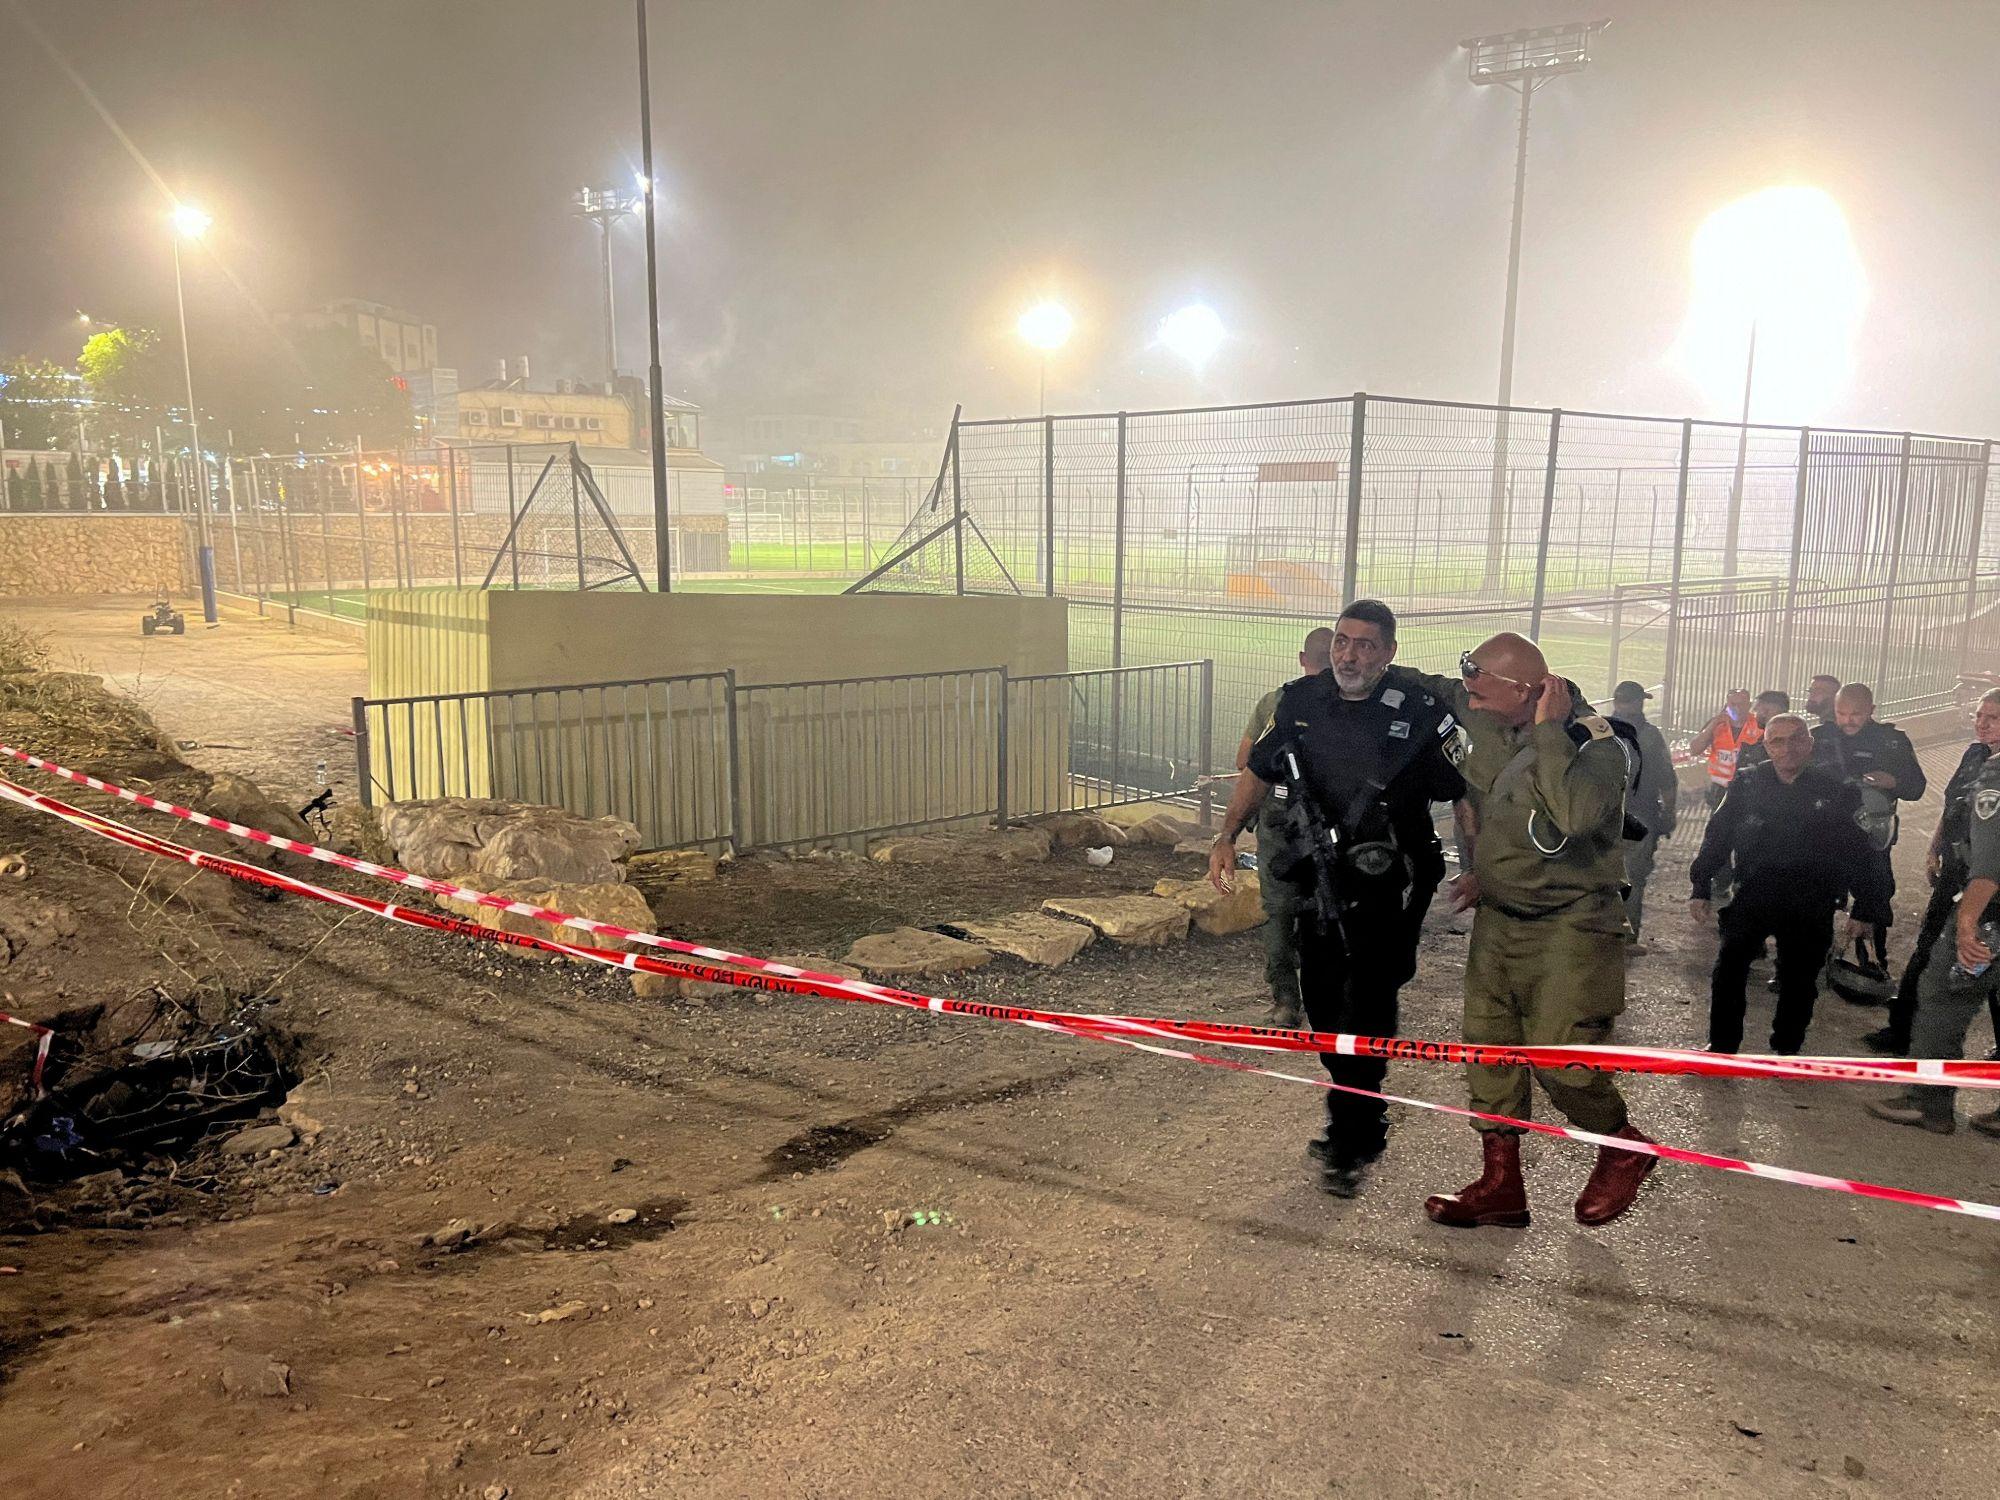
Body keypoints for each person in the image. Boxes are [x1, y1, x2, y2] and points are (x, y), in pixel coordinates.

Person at [1387, 634, 1658, 1230]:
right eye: (1468, 671)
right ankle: (1501, 1185)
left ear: (1530, 692)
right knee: (1489, 1050)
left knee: (1560, 1059)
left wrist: (1549, 734)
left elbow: (1576, 817)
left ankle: (1623, 1145)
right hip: (1500, 918)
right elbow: (1430, 688)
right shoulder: (1482, 709)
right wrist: (1356, 660)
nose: (1469, 688)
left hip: (1573, 924)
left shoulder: (1599, 748)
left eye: (1480, 677)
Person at [1208, 601, 1465, 1197]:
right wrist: (1226, 835)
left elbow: (1462, 794)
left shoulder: (1423, 712)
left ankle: (1353, 1127)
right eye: (1344, 642)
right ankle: (1358, 1099)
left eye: (1366, 645)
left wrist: (1473, 869)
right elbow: (1258, 769)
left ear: (1389, 653)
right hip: (1320, 879)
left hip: (1392, 879)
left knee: (1368, 1003)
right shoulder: (1299, 701)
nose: (1350, 655)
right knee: (1323, 1003)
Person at [1688, 714, 1889, 1054]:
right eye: (1777, 741)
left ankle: (1786, 1049)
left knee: (1800, 980)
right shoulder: (1748, 783)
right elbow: (1718, 835)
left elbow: (1859, 851)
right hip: (1755, 892)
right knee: (1729, 969)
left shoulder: (1837, 789)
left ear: (1809, 744)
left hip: (1812, 899)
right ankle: (1722, 1047)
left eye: (1796, 739)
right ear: (1766, 746)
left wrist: (1867, 905)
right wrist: (1700, 885)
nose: (1787, 749)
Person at [1863, 745, 2000, 1139]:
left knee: (1943, 999)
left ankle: (1928, 1104)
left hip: (1992, 915)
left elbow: (1991, 866)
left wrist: (1967, 923)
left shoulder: (1994, 777)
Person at [1862, 689, 2000, 1055]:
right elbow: (1953, 805)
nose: (1982, 724)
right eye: (1979, 715)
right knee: (1928, 947)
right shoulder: (1975, 756)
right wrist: (1935, 847)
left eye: (1993, 718)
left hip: (1988, 883)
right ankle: (1902, 1030)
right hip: (1957, 870)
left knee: (1983, 965)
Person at [1232, 627, 1335, 1026]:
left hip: (1278, 822)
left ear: (1301, 658)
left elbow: (1245, 761)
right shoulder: (1353, 702)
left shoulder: (1277, 700)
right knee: (1328, 905)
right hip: (1332, 825)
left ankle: (1285, 1000)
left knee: (1278, 910)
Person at [1812, 683, 1926, 975]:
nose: (1847, 720)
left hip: (1869, 838)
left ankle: (1872, 964)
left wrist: (1893, 783)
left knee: (1874, 898)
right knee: (1814, 897)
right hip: (1823, 834)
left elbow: (1917, 787)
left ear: (1872, 711)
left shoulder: (1891, 742)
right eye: (1841, 713)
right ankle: (1808, 959)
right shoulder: (1820, 737)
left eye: (1855, 714)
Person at [1609, 680, 1675, 954]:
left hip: (1600, 817)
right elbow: (1667, 781)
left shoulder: (1598, 730)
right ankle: (1625, 937)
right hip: (1640, 817)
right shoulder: (1650, 735)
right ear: (1637, 703)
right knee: (1632, 880)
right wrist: (1669, 813)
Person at [1689, 688, 1761, 809]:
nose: (1737, 709)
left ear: (1749, 705)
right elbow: (1695, 750)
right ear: (1727, 705)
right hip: (1719, 789)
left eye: (1741, 704)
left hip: (1748, 788)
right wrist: (1713, 724)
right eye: (1733, 704)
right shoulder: (1717, 724)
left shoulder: (1758, 725)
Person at [1731, 690, 1790, 774]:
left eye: (1757, 710)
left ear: (1765, 711)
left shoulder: (1775, 744)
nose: (1755, 715)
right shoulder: (1791, 739)